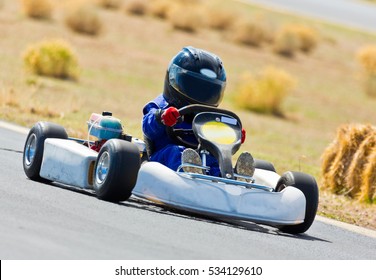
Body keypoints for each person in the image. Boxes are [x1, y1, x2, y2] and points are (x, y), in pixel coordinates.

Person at [142, 46, 254, 178]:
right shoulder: (162, 105)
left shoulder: (208, 116)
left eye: (208, 89)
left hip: (202, 157)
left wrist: (234, 135)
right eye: (194, 86)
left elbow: (219, 140)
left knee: (213, 161)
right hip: (162, 158)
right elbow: (147, 126)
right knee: (176, 152)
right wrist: (161, 118)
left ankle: (233, 178)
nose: (201, 93)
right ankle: (190, 172)